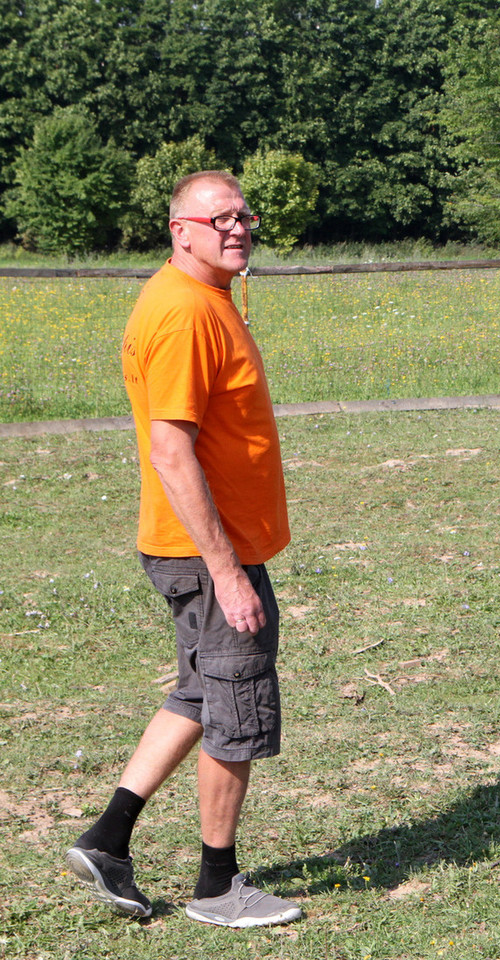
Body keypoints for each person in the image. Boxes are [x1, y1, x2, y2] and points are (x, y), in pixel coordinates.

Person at [64, 170, 302, 928]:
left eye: (243, 215)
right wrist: (228, 572)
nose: (237, 227)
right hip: (207, 554)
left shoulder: (205, 300)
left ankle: (108, 839)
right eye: (219, 217)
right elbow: (171, 451)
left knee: (201, 694)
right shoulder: (182, 313)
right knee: (236, 706)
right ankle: (217, 888)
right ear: (181, 231)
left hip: (207, 550)